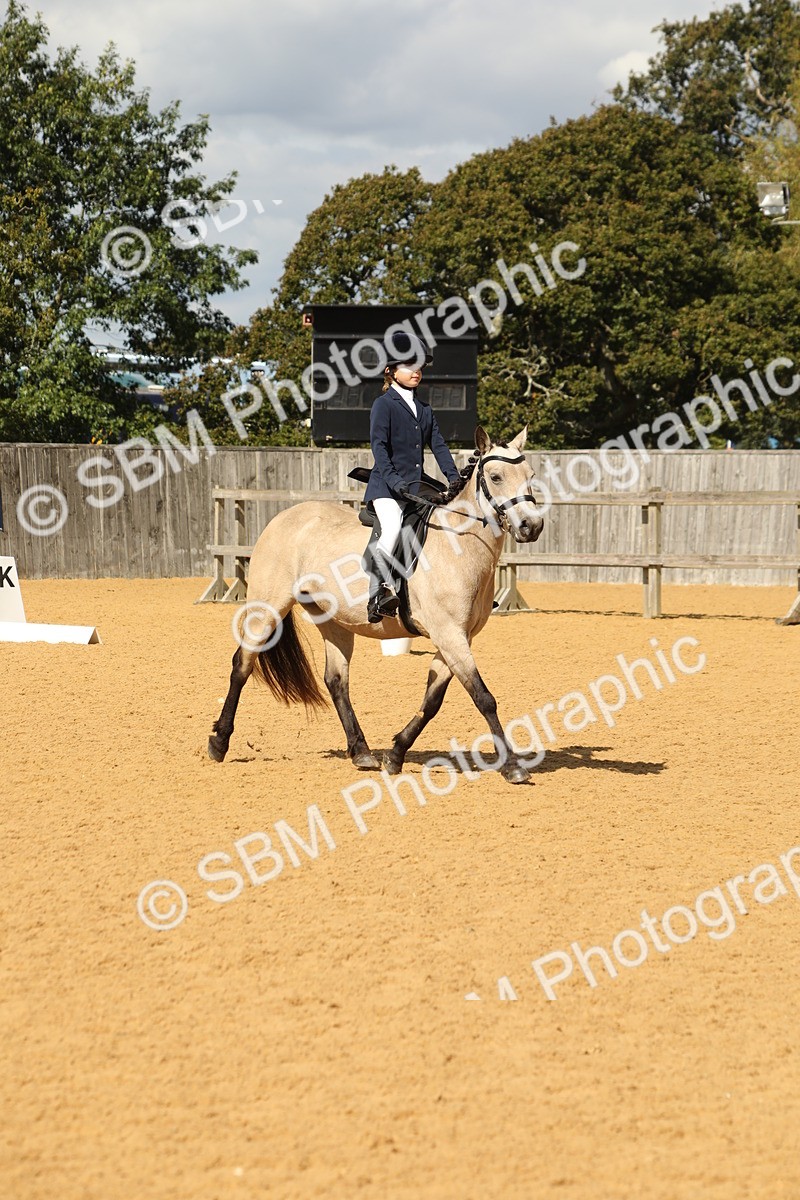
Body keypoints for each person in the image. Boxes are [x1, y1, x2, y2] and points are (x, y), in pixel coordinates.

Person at [363, 332, 462, 623]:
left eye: (419, 366)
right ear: (391, 371)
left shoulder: (425, 409)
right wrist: (393, 480)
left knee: (447, 520)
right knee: (392, 527)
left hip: (415, 486)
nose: (416, 371)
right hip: (386, 487)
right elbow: (379, 448)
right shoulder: (384, 404)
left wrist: (455, 479)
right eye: (408, 366)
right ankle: (378, 593)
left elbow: (439, 446)